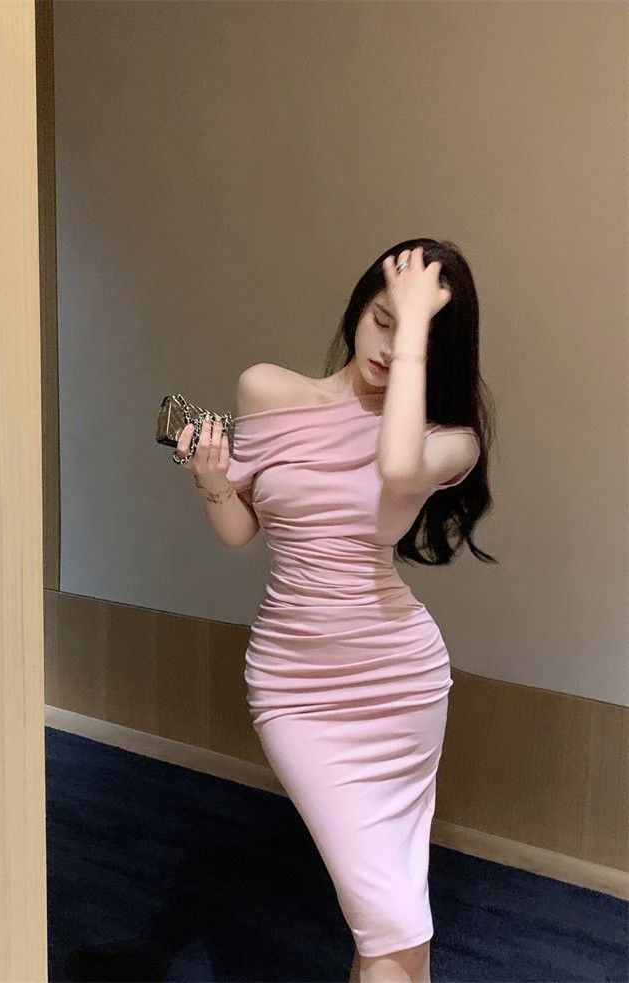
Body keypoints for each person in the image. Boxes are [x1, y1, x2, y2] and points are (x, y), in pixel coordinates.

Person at [175, 240, 495, 982]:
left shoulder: (450, 441)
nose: (388, 346)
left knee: (390, 922)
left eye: (412, 335)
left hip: (398, 685)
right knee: (391, 916)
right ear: (357, 308)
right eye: (382, 319)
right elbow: (241, 532)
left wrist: (413, 333)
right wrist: (215, 481)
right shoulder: (266, 389)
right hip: (294, 689)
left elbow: (397, 467)